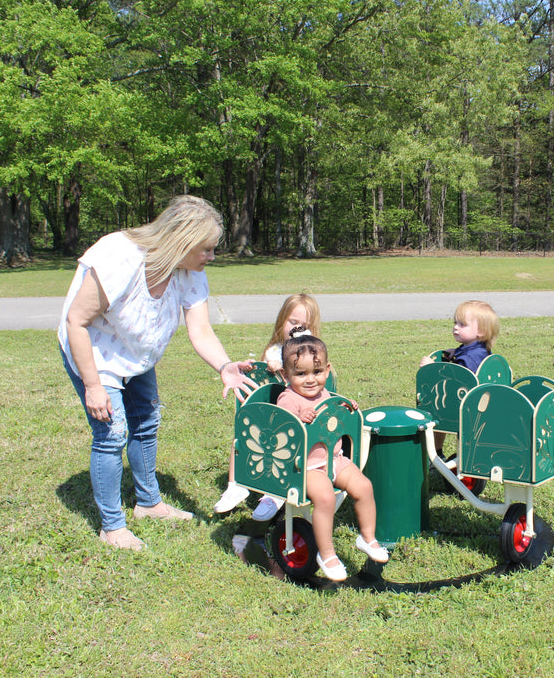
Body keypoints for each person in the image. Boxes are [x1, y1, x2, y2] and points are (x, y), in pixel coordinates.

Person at [59, 195, 258, 551]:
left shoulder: (188, 272)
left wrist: (225, 366)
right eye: (207, 249)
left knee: (146, 422)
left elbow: (200, 331)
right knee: (111, 431)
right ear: (182, 241)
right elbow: (77, 320)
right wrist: (93, 385)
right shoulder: (119, 258)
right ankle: (111, 527)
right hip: (95, 350)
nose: (211, 257)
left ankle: (149, 504)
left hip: (137, 355)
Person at [275, 334, 388, 581]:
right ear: (285, 376)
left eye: (316, 371)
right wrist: (296, 416)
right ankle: (325, 554)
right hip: (306, 466)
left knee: (364, 486)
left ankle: (367, 537)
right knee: (325, 497)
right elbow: (282, 425)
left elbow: (337, 415)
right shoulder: (289, 398)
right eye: (301, 374)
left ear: (327, 370)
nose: (310, 380)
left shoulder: (326, 394)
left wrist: (347, 407)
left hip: (334, 458)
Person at [213, 294, 322, 517]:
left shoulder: (313, 353)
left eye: (305, 326)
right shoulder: (276, 350)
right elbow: (268, 370)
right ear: (282, 321)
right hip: (272, 413)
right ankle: (236, 486)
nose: (298, 330)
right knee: (242, 438)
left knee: (285, 449)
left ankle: (274, 495)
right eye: (293, 323)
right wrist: (271, 365)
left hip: (298, 419)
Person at [418, 300, 500, 459]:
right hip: (481, 404)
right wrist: (455, 351)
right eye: (455, 322)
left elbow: (456, 379)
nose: (456, 327)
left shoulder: (468, 358)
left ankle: (434, 454)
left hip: (461, 406)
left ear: (481, 331)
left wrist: (431, 367)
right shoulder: (478, 350)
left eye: (462, 324)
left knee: (434, 410)